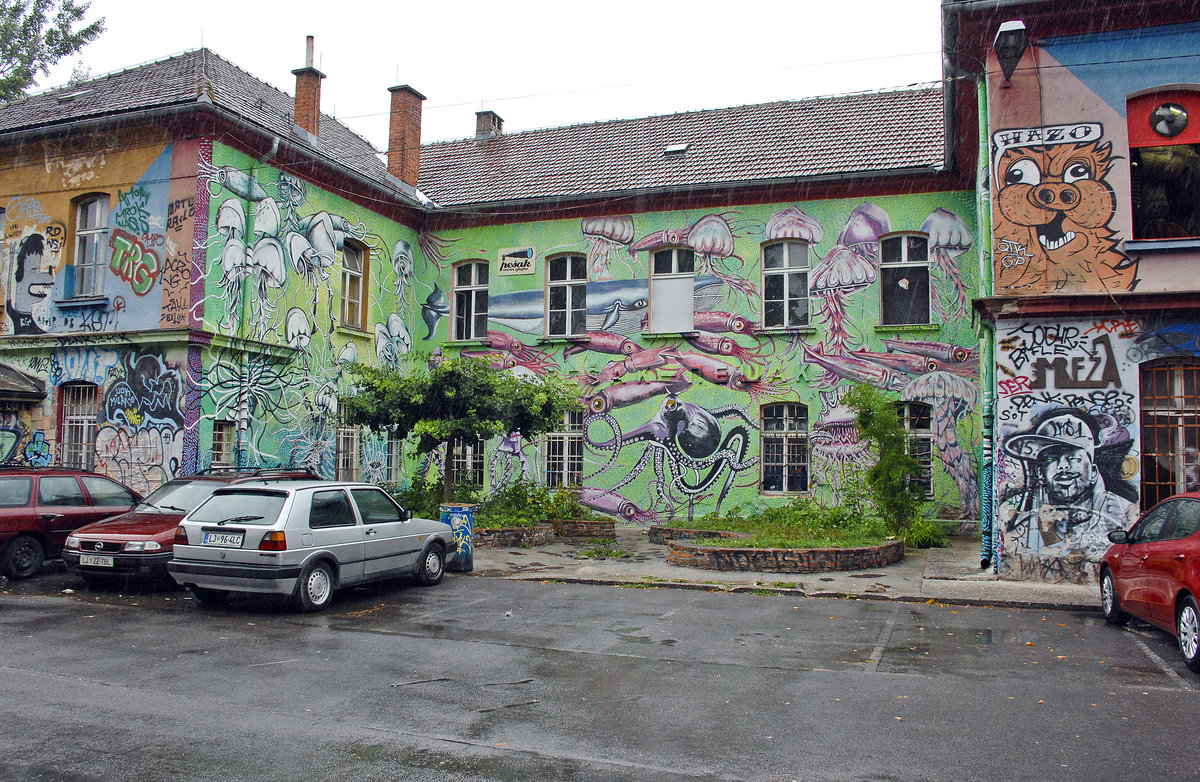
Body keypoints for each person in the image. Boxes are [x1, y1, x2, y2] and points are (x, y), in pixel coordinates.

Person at [999, 408, 1138, 578]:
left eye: (1073, 458)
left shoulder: (1120, 514)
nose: (1063, 466)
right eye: (1051, 458)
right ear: (1041, 473)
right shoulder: (1022, 520)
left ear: (1094, 472)